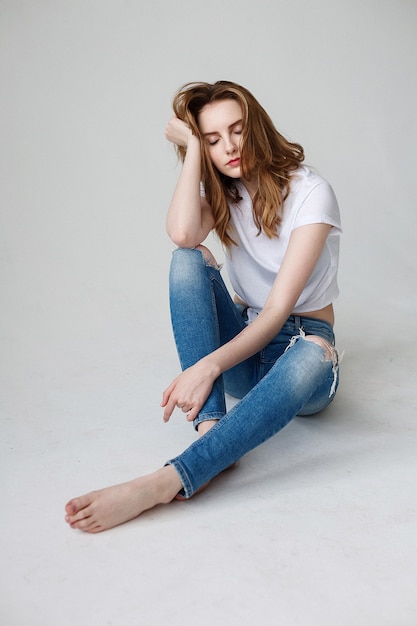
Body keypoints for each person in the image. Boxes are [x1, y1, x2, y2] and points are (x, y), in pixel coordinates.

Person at [65, 80, 342, 533]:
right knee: (186, 261)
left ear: (259, 128)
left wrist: (207, 366)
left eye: (237, 130)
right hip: (246, 345)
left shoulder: (311, 193)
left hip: (300, 352)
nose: (229, 147)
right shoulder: (226, 194)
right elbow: (182, 234)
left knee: (312, 351)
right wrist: (194, 148)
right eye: (214, 139)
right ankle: (210, 433)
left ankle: (169, 479)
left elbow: (276, 315)